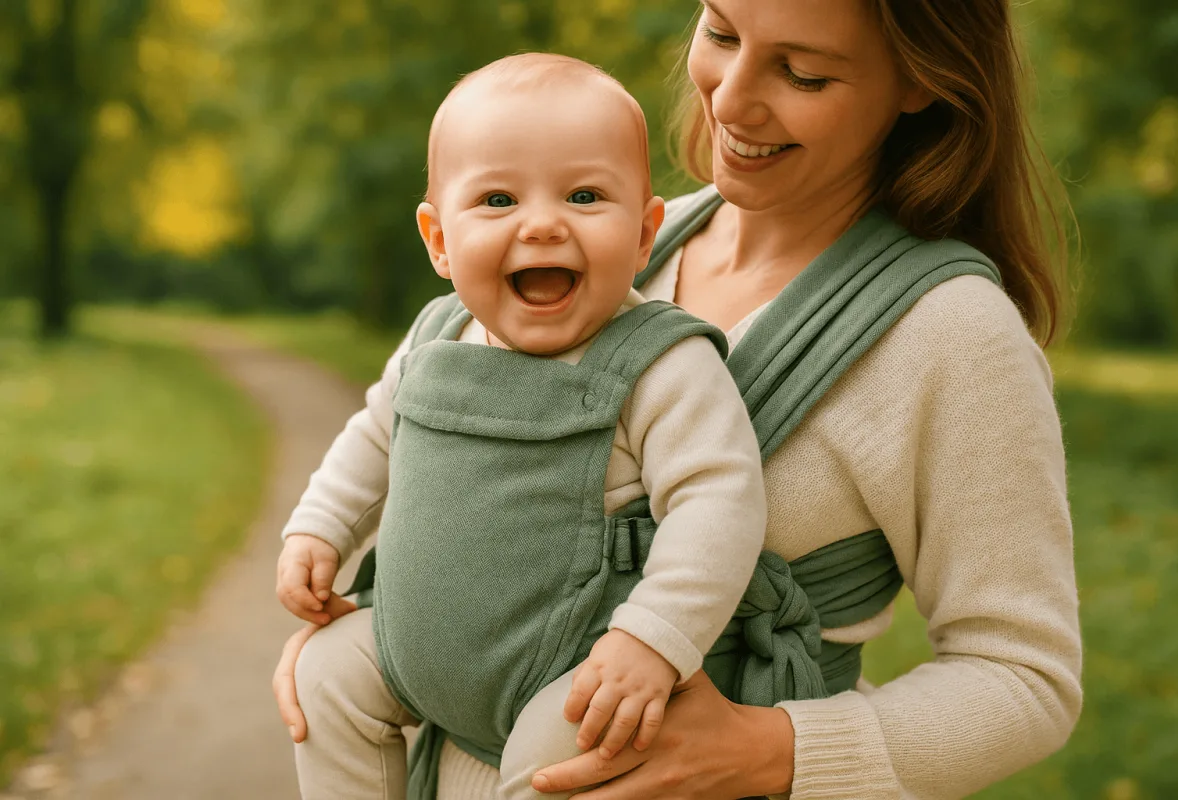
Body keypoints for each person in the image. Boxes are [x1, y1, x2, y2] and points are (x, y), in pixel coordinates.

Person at [274, 0, 1084, 797]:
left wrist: (772, 752)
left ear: (920, 80)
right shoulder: (606, 246)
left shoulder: (951, 333)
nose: (730, 98)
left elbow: (1024, 681)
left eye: (802, 73)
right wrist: (390, 634)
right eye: (721, 31)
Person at [274, 52, 771, 800]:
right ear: (439, 240)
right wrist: (320, 528)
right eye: (498, 199)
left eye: (583, 195)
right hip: (415, 647)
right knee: (325, 677)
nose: (542, 225)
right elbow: (375, 438)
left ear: (644, 235)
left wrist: (652, 640)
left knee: (564, 762)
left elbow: (719, 502)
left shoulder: (660, 363)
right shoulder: (438, 336)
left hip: (576, 666)